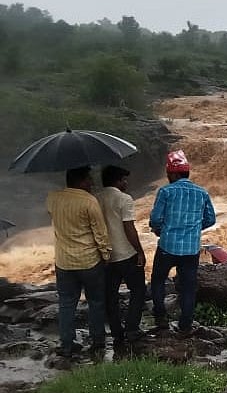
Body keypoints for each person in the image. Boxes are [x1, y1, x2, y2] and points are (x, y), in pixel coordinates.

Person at [148, 150, 216, 336]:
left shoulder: (166, 191)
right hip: (191, 250)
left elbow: (155, 219)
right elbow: (210, 219)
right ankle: (185, 326)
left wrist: (160, 229)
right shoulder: (201, 193)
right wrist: (194, 229)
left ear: (175, 174)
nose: (168, 177)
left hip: (167, 246)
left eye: (169, 174)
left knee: (158, 280)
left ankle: (161, 317)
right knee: (188, 287)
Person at [46, 166, 112, 357]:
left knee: (66, 303)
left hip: (64, 262)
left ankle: (67, 344)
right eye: (89, 179)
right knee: (96, 302)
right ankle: (97, 341)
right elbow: (100, 233)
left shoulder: (52, 198)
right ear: (80, 181)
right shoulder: (90, 201)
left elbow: (54, 217)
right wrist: (106, 255)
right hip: (89, 261)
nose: (91, 183)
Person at [97, 165, 148, 347]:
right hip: (127, 253)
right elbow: (129, 228)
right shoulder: (124, 199)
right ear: (117, 181)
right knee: (138, 291)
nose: (126, 183)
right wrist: (140, 251)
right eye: (124, 180)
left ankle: (117, 333)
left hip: (106, 257)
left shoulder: (95, 199)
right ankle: (132, 329)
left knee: (110, 296)